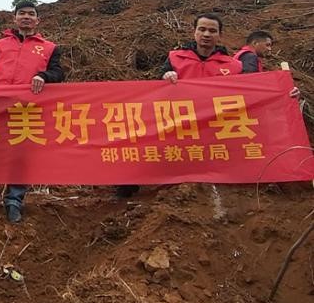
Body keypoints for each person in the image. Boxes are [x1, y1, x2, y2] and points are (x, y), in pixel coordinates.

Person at [118, 13, 243, 199]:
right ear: (194, 32)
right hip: (180, 123)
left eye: (212, 30)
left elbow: (255, 90)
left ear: (219, 35)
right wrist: (166, 76)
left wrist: (285, 93)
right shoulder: (176, 58)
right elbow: (158, 85)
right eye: (202, 29)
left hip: (215, 127)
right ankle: (126, 188)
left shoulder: (234, 66)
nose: (206, 34)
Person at [0, 2, 64, 222]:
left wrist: (43, 76)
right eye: (22, 14)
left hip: (28, 110)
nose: (26, 17)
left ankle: (14, 200)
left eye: (31, 14)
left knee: (20, 156)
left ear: (38, 20)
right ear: (14, 18)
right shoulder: (0, 44)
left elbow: (58, 72)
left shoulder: (49, 47)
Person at [233, 30, 301, 98]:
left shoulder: (241, 55)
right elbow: (250, 83)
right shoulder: (250, 57)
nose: (269, 49)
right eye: (267, 45)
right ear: (255, 43)